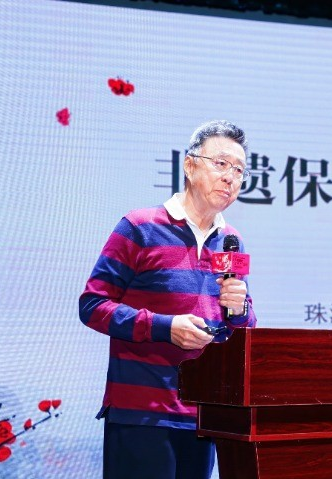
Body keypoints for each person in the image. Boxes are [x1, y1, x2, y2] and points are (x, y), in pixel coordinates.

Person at [79, 120, 257, 479]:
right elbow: (92, 305)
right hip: (141, 414)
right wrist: (164, 327)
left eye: (239, 170)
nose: (230, 177)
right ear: (189, 166)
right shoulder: (140, 227)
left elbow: (243, 325)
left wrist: (239, 310)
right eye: (221, 164)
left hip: (203, 416)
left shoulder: (230, 240)